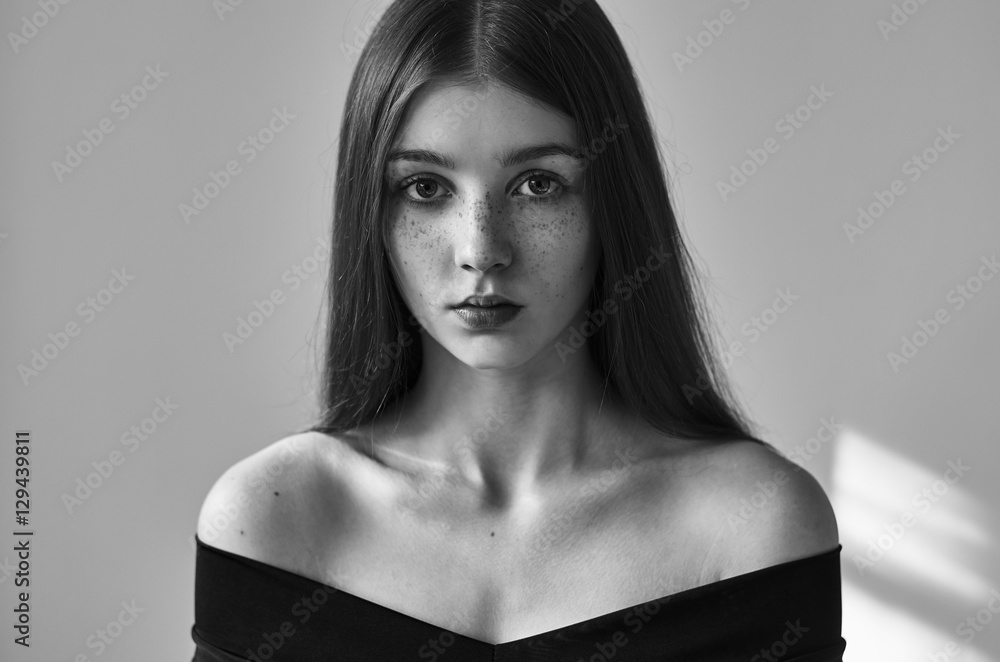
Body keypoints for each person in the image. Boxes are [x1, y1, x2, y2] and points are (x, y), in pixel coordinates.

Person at [191, 1, 845, 659]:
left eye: (538, 184)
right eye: (425, 188)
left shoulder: (756, 531)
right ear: (372, 212)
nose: (482, 248)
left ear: (612, 201)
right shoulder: (274, 521)